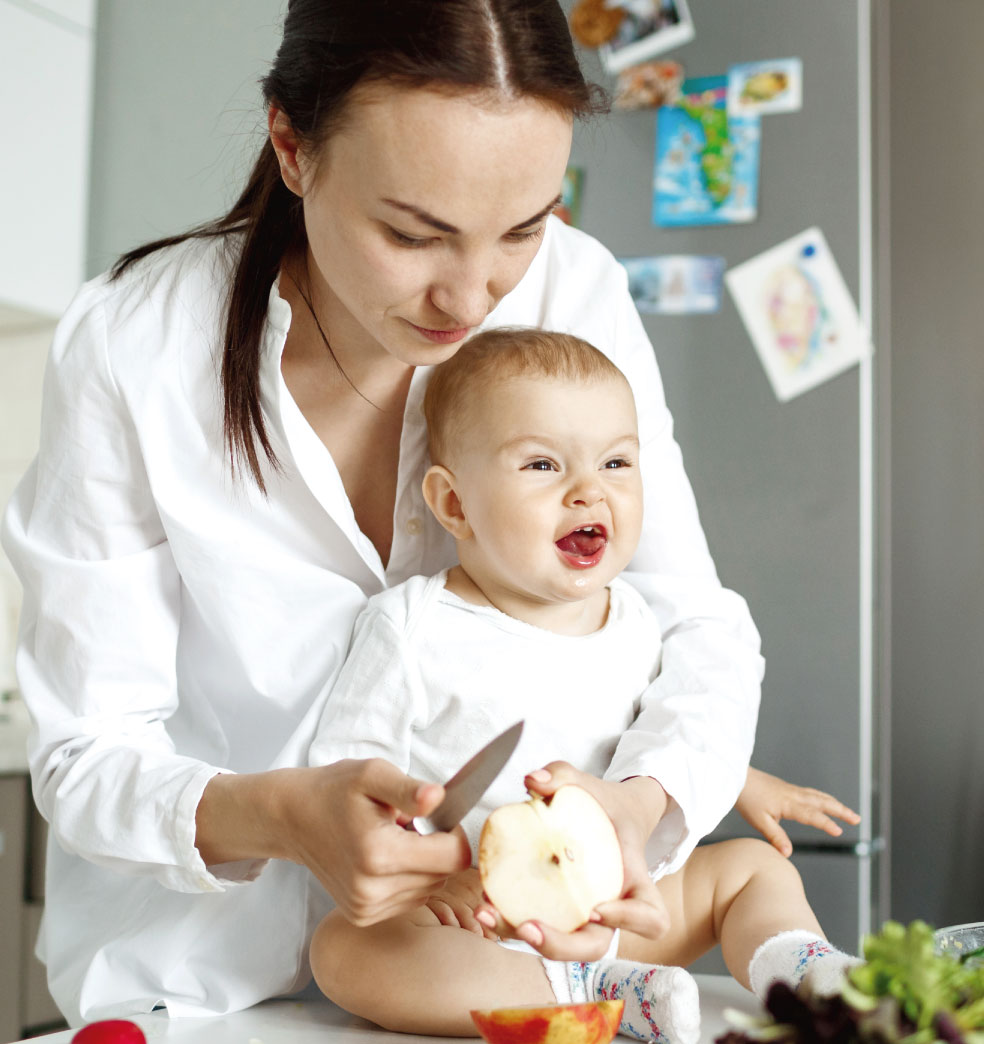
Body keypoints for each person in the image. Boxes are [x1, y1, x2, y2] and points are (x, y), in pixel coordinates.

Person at [2, 0, 769, 1027]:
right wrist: (278, 814)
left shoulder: (572, 292)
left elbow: (694, 626)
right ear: (292, 146)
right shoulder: (135, 342)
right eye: (414, 233)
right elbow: (85, 752)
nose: (472, 295)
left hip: (502, 964)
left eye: (523, 230)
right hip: (193, 990)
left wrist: (640, 806)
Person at [306, 328, 861, 1041]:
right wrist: (427, 876)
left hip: (624, 909)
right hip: (483, 922)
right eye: (541, 464)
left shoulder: (636, 619)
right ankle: (604, 997)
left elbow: (645, 730)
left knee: (750, 869)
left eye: (615, 462)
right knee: (345, 951)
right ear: (454, 505)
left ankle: (807, 970)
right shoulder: (410, 625)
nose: (588, 490)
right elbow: (348, 779)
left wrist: (739, 780)